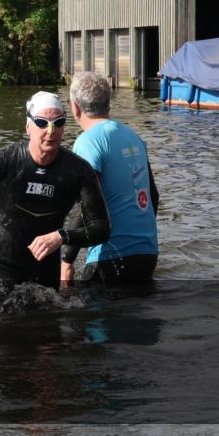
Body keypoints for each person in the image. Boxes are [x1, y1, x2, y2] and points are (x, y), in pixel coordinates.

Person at [0, 91, 111, 305]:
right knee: (13, 308)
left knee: (45, 327)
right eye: (42, 123)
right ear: (28, 127)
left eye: (58, 122)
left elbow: (102, 229)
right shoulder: (4, 161)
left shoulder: (79, 171)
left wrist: (62, 237)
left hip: (44, 269)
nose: (50, 131)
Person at [63, 72, 160, 286]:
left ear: (75, 107)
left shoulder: (87, 142)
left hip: (110, 257)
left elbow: (87, 205)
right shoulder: (134, 137)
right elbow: (153, 196)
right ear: (109, 103)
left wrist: (66, 259)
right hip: (147, 254)